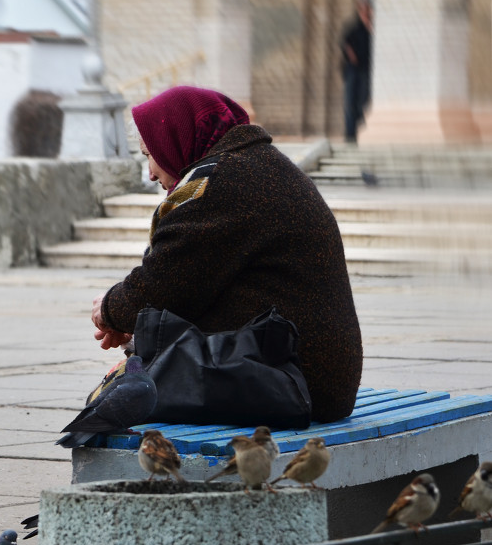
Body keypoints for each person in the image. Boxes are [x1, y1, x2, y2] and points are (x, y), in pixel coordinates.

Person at [91, 86, 363, 424]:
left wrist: (109, 310)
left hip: (293, 383)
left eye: (150, 153)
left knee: (118, 400)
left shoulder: (220, 183)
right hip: (310, 376)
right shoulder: (254, 166)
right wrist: (134, 320)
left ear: (177, 138)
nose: (149, 172)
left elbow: (160, 286)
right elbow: (186, 284)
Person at [341, 0, 373, 142]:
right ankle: (350, 136)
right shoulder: (354, 27)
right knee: (350, 102)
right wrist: (352, 56)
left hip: (366, 70)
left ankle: (360, 131)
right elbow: (345, 43)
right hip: (353, 70)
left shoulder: (372, 29)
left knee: (362, 101)